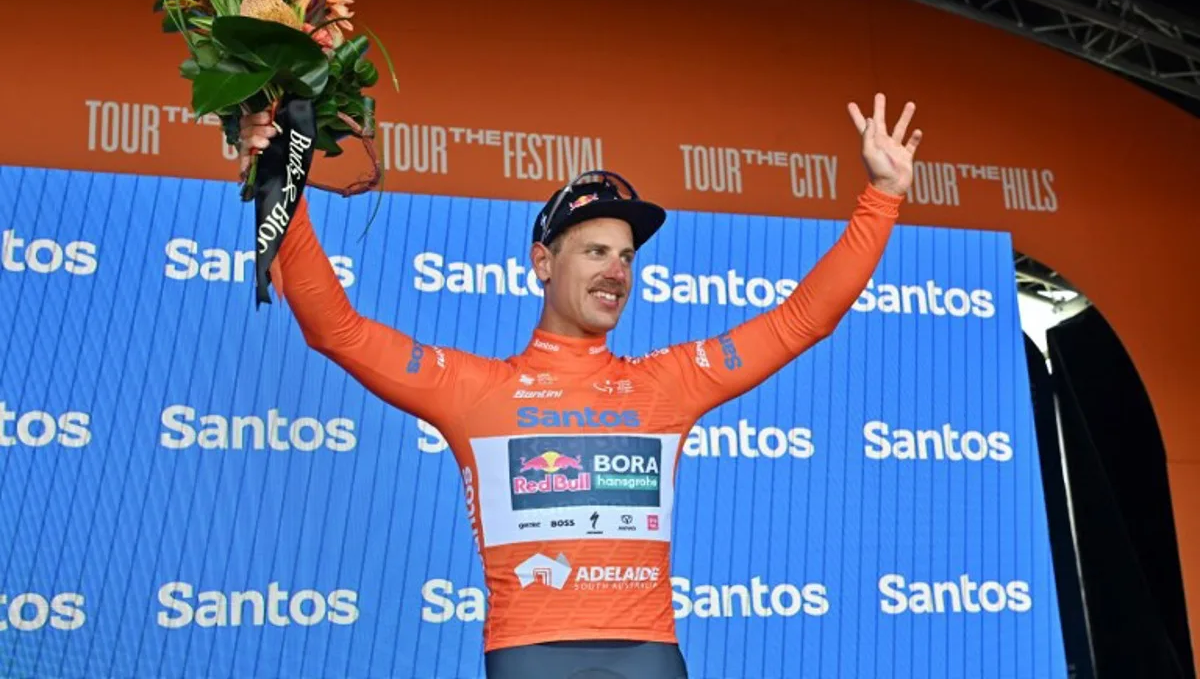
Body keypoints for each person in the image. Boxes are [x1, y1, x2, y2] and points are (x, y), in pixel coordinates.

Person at [238, 93, 921, 679]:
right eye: (596, 251)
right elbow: (337, 330)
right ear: (543, 261)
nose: (617, 271)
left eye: (626, 257)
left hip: (649, 654)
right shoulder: (475, 391)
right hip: (529, 655)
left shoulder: (666, 385)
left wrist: (882, 196)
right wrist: (281, 184)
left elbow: (803, 319)